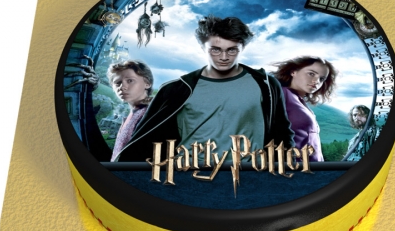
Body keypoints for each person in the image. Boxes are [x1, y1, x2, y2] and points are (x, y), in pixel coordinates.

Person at [112, 15, 294, 162]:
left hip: (249, 174)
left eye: (232, 50)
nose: (224, 57)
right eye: (215, 50)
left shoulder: (266, 84)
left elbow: (282, 132)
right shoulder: (177, 89)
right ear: (202, 47)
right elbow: (145, 139)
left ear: (242, 48)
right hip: (190, 175)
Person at [272, 56, 337, 161]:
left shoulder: (299, 101)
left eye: (321, 79)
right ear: (293, 72)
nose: (316, 81)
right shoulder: (282, 94)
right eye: (311, 74)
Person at [107, 60, 154, 162]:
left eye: (130, 81)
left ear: (147, 83)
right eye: (117, 83)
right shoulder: (132, 114)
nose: (122, 87)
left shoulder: (150, 114)